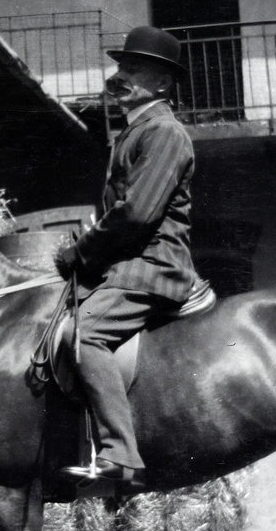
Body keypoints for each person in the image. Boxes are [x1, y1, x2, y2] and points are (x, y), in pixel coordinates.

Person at [53, 26, 197, 488]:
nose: (120, 77)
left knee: (86, 333)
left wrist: (81, 251)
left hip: (152, 265)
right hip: (126, 263)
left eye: (133, 70)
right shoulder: (133, 132)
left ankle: (119, 454)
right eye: (120, 67)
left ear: (162, 85)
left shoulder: (164, 133)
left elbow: (135, 215)